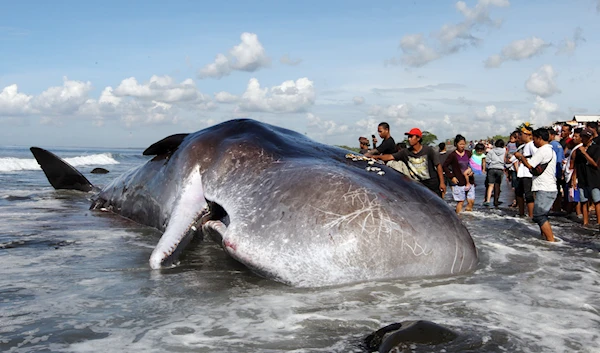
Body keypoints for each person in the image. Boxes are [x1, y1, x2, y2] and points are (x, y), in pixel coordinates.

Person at [372, 127, 446, 197]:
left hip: (432, 183)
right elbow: (390, 156)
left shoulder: (428, 150)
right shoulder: (405, 152)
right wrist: (376, 157)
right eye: (408, 137)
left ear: (418, 138)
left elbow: (438, 166)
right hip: (418, 185)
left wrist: (442, 183)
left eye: (411, 137)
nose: (409, 139)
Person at [514, 128, 557, 242]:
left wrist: (520, 157)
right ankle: (545, 238)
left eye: (534, 139)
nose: (533, 142)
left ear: (539, 138)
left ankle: (551, 241)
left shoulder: (543, 150)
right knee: (543, 215)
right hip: (548, 187)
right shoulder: (550, 150)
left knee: (539, 216)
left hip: (545, 187)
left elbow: (530, 165)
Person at [571, 127, 600, 227]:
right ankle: (585, 222)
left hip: (594, 178)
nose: (583, 139)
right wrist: (574, 178)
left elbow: (595, 164)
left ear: (591, 138)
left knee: (597, 201)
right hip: (582, 178)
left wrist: (584, 153)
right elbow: (576, 165)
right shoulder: (578, 150)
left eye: (586, 137)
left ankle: (599, 222)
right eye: (582, 136)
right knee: (584, 201)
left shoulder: (596, 148)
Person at [443, 134, 475, 213]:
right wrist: (451, 177)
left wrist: (472, 171)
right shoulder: (453, 155)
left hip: (469, 180)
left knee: (471, 201)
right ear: (456, 144)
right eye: (460, 144)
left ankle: (469, 219)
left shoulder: (468, 153)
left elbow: (474, 164)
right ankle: (459, 218)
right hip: (459, 182)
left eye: (464, 144)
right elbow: (445, 166)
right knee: (461, 201)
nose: (462, 146)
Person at [512, 125, 536, 218]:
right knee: (519, 193)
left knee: (528, 195)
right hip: (521, 173)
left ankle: (531, 215)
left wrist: (522, 157)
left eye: (521, 135)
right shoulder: (524, 146)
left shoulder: (532, 145)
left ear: (527, 135)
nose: (519, 137)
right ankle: (521, 213)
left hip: (528, 173)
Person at [485, 139, 506, 207]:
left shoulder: (491, 151)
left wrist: (491, 163)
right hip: (500, 168)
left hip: (491, 168)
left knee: (490, 185)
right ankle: (496, 201)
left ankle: (488, 200)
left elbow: (487, 160)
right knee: (497, 185)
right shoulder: (504, 151)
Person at [547, 128, 564, 212]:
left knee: (554, 190)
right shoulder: (558, 144)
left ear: (552, 135)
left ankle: (555, 207)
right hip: (559, 170)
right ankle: (557, 207)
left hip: (554, 171)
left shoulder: (551, 145)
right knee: (558, 190)